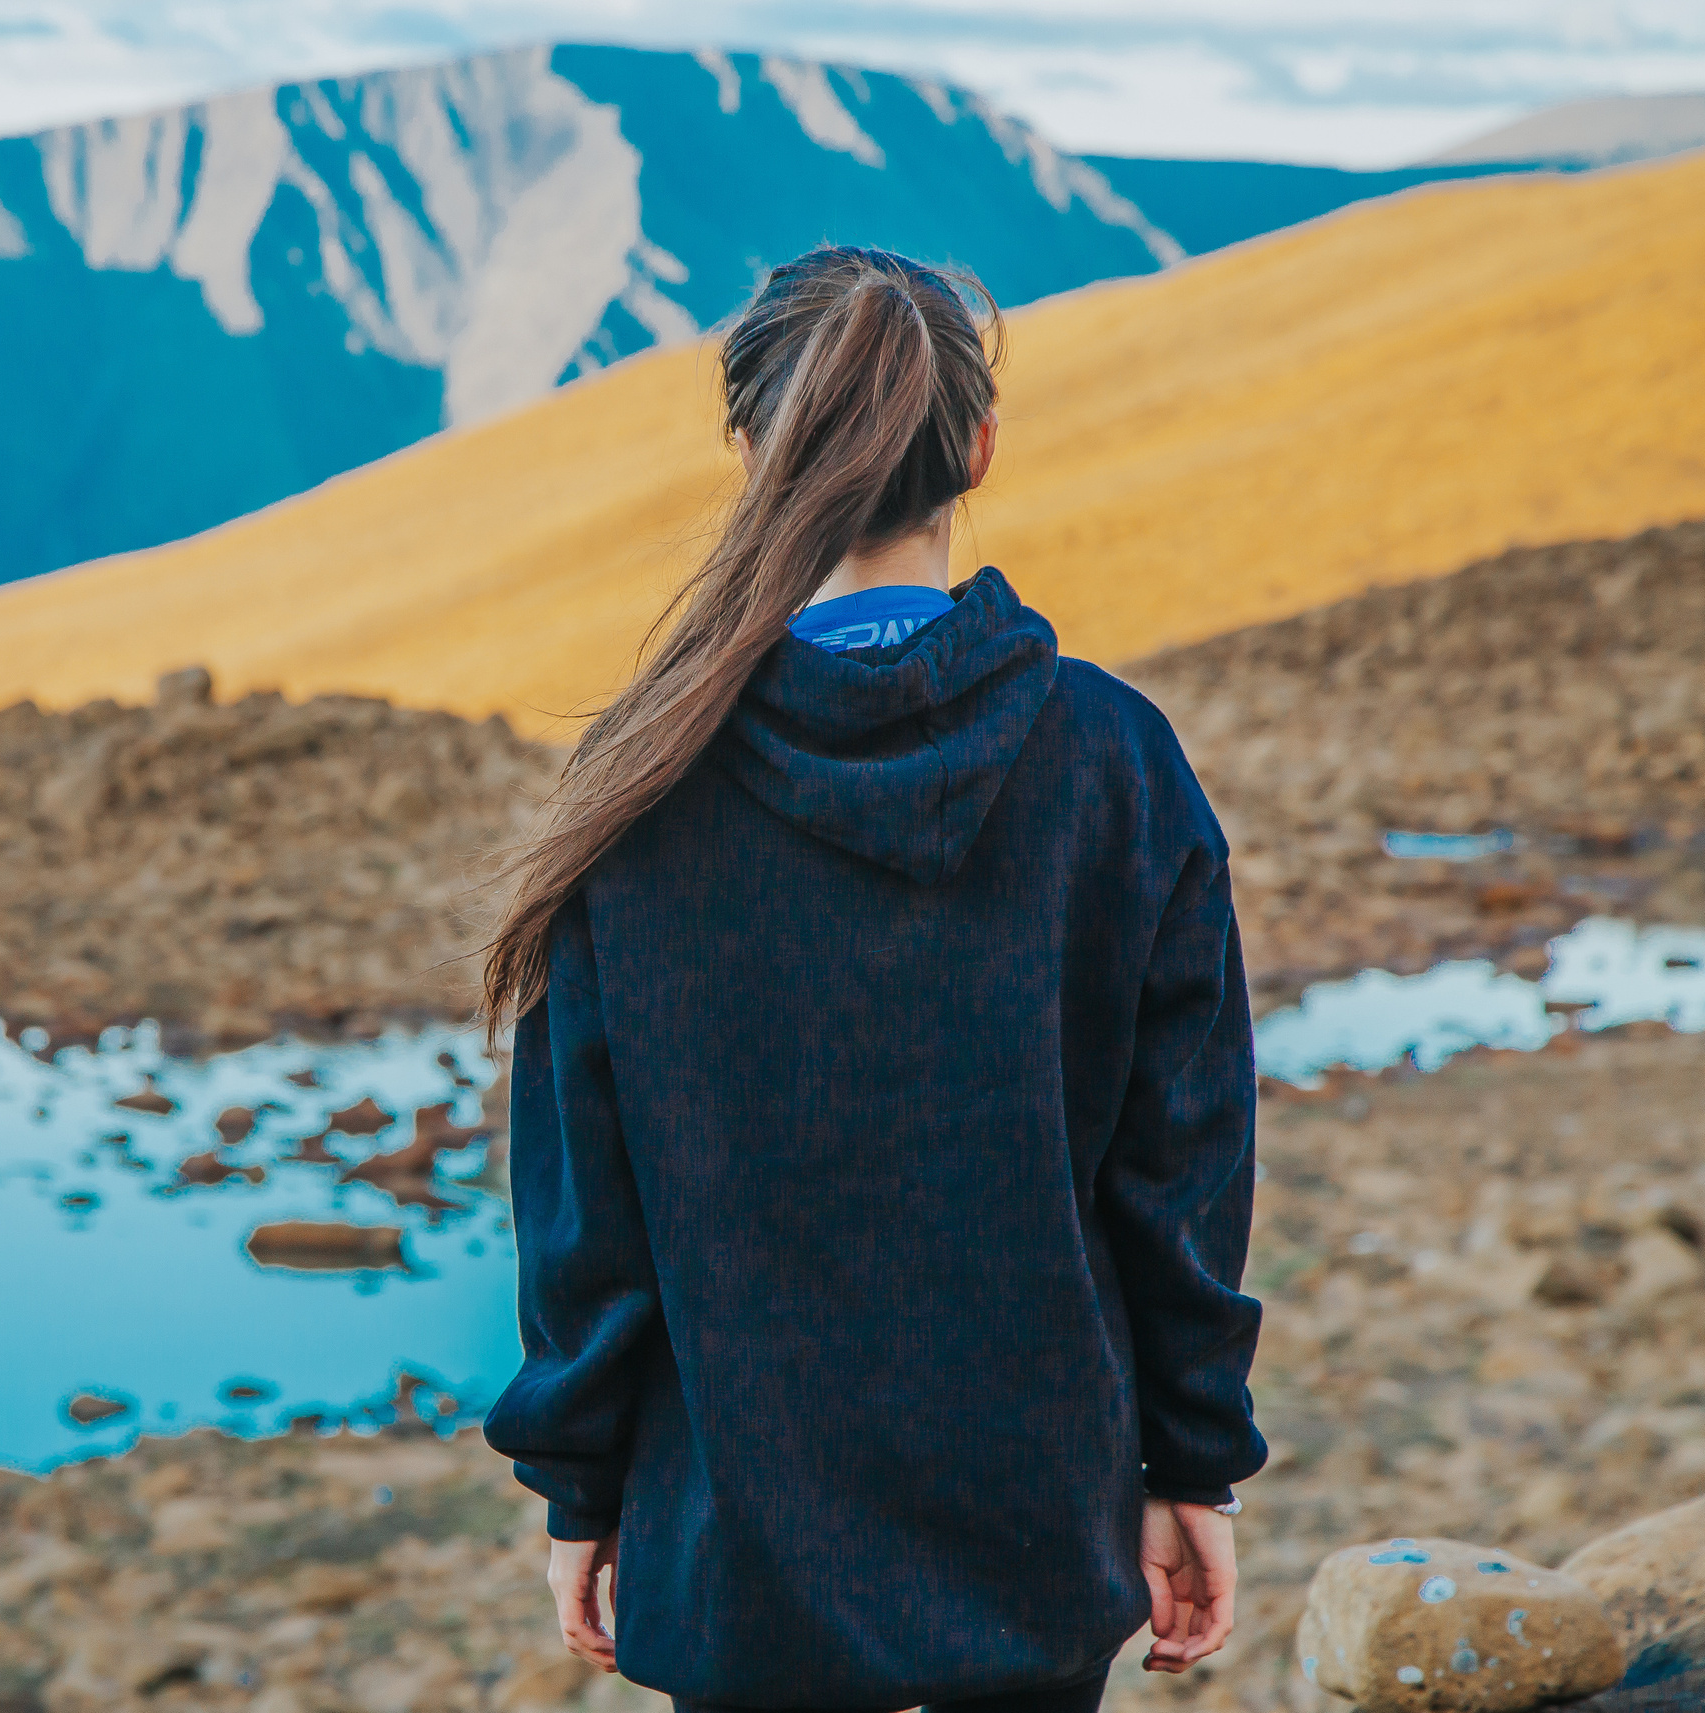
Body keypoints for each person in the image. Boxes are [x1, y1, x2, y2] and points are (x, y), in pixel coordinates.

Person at [477, 245, 1266, 1713]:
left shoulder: (642, 784)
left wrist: (581, 1487)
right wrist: (1191, 1457)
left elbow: (585, 1210)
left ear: (753, 452)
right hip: (1040, 1513)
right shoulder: (1115, 759)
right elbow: (1183, 1173)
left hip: (735, 1536)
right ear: (977, 446)